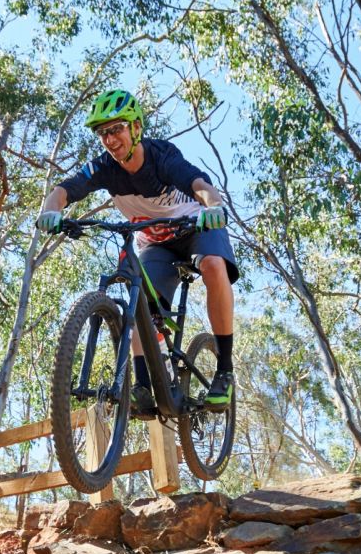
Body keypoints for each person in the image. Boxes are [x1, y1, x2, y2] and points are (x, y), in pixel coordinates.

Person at [36, 88, 239, 419]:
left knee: (214, 266)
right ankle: (144, 385)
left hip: (197, 229)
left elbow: (200, 185)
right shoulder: (104, 168)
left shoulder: (162, 157)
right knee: (137, 302)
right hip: (156, 243)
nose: (110, 139)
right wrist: (51, 212)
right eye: (103, 133)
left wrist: (213, 205)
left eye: (116, 129)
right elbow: (63, 190)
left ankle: (225, 371)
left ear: (136, 128)